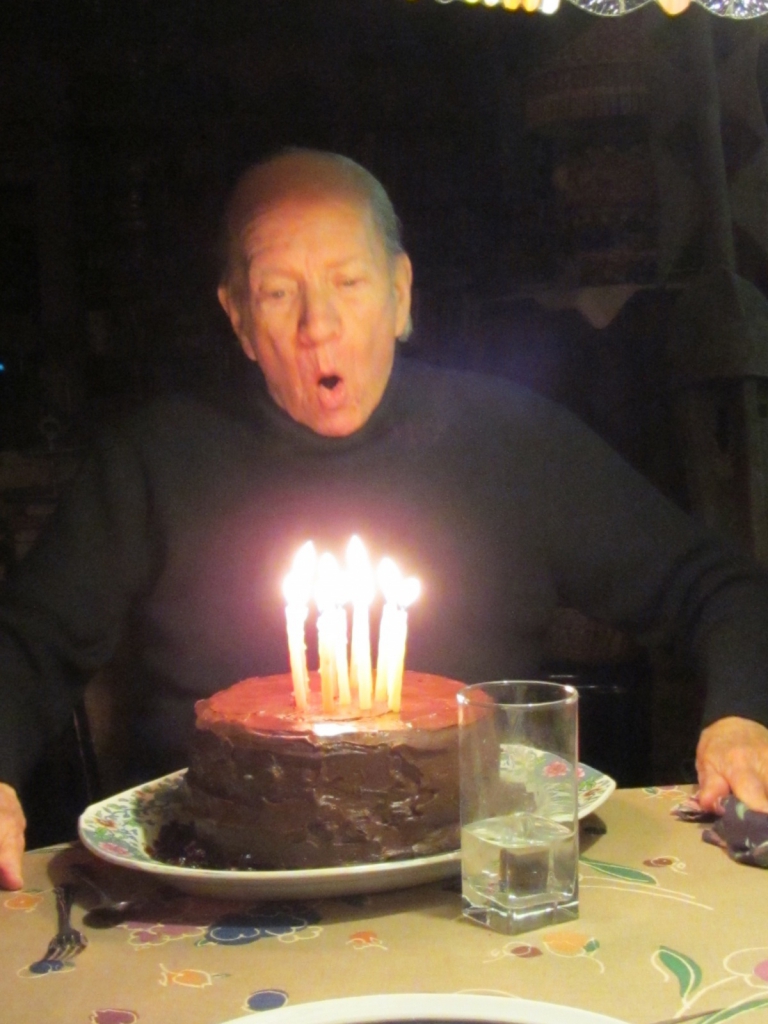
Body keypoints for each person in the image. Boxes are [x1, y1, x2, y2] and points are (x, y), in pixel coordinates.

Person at [2, 148, 768, 891]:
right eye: (277, 293)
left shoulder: (512, 441)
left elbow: (719, 587)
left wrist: (741, 717)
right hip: (212, 895)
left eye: (350, 282)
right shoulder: (154, 460)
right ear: (237, 318)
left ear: (401, 295)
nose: (317, 326)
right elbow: (27, 641)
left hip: (476, 884)